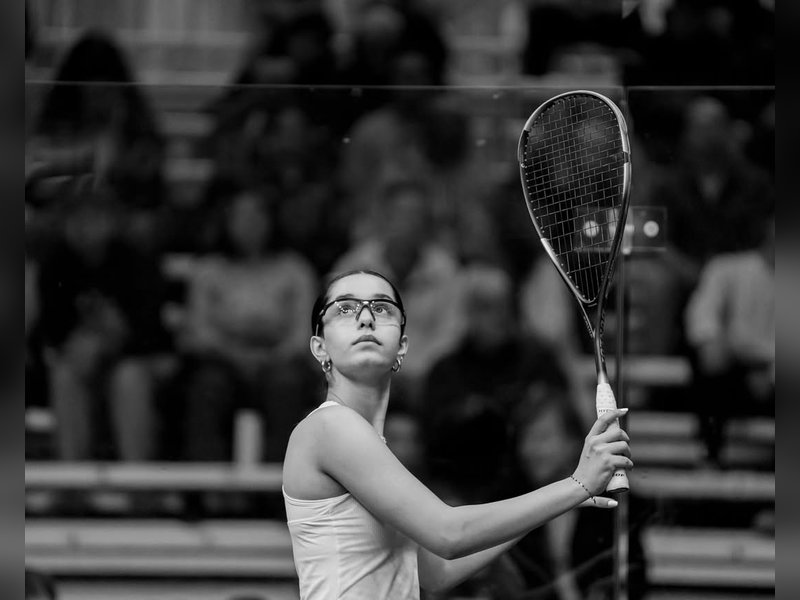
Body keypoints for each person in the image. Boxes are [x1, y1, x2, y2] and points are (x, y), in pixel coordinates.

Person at [282, 269, 633, 599]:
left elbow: (437, 571)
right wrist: (575, 485)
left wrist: (560, 499)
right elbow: (448, 534)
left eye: (382, 307)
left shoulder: (371, 447)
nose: (365, 317)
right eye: (345, 308)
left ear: (401, 346)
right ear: (319, 347)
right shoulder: (330, 427)